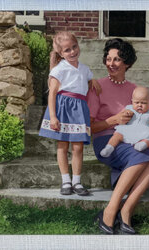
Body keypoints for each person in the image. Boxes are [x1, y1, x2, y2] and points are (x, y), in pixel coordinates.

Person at [87, 38, 149, 235]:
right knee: (142, 156)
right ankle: (111, 210)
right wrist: (114, 120)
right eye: (108, 58)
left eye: (117, 60)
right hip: (107, 140)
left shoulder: (135, 91)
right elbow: (91, 128)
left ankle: (126, 210)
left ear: (127, 63)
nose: (111, 64)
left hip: (134, 140)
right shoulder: (97, 86)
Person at [39, 31, 100, 196]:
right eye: (67, 50)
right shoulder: (59, 69)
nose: (72, 52)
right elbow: (52, 93)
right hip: (63, 107)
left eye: (74, 47)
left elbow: (87, 82)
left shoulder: (85, 69)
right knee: (62, 145)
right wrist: (53, 116)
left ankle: (77, 181)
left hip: (80, 109)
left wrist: (92, 81)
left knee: (78, 146)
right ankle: (66, 180)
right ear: (60, 53)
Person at [100, 86, 149, 157]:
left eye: (143, 103)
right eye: (137, 102)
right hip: (128, 130)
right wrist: (126, 113)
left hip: (142, 132)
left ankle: (142, 145)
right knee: (117, 135)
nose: (140, 105)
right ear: (132, 101)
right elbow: (122, 116)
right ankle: (109, 148)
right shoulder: (129, 108)